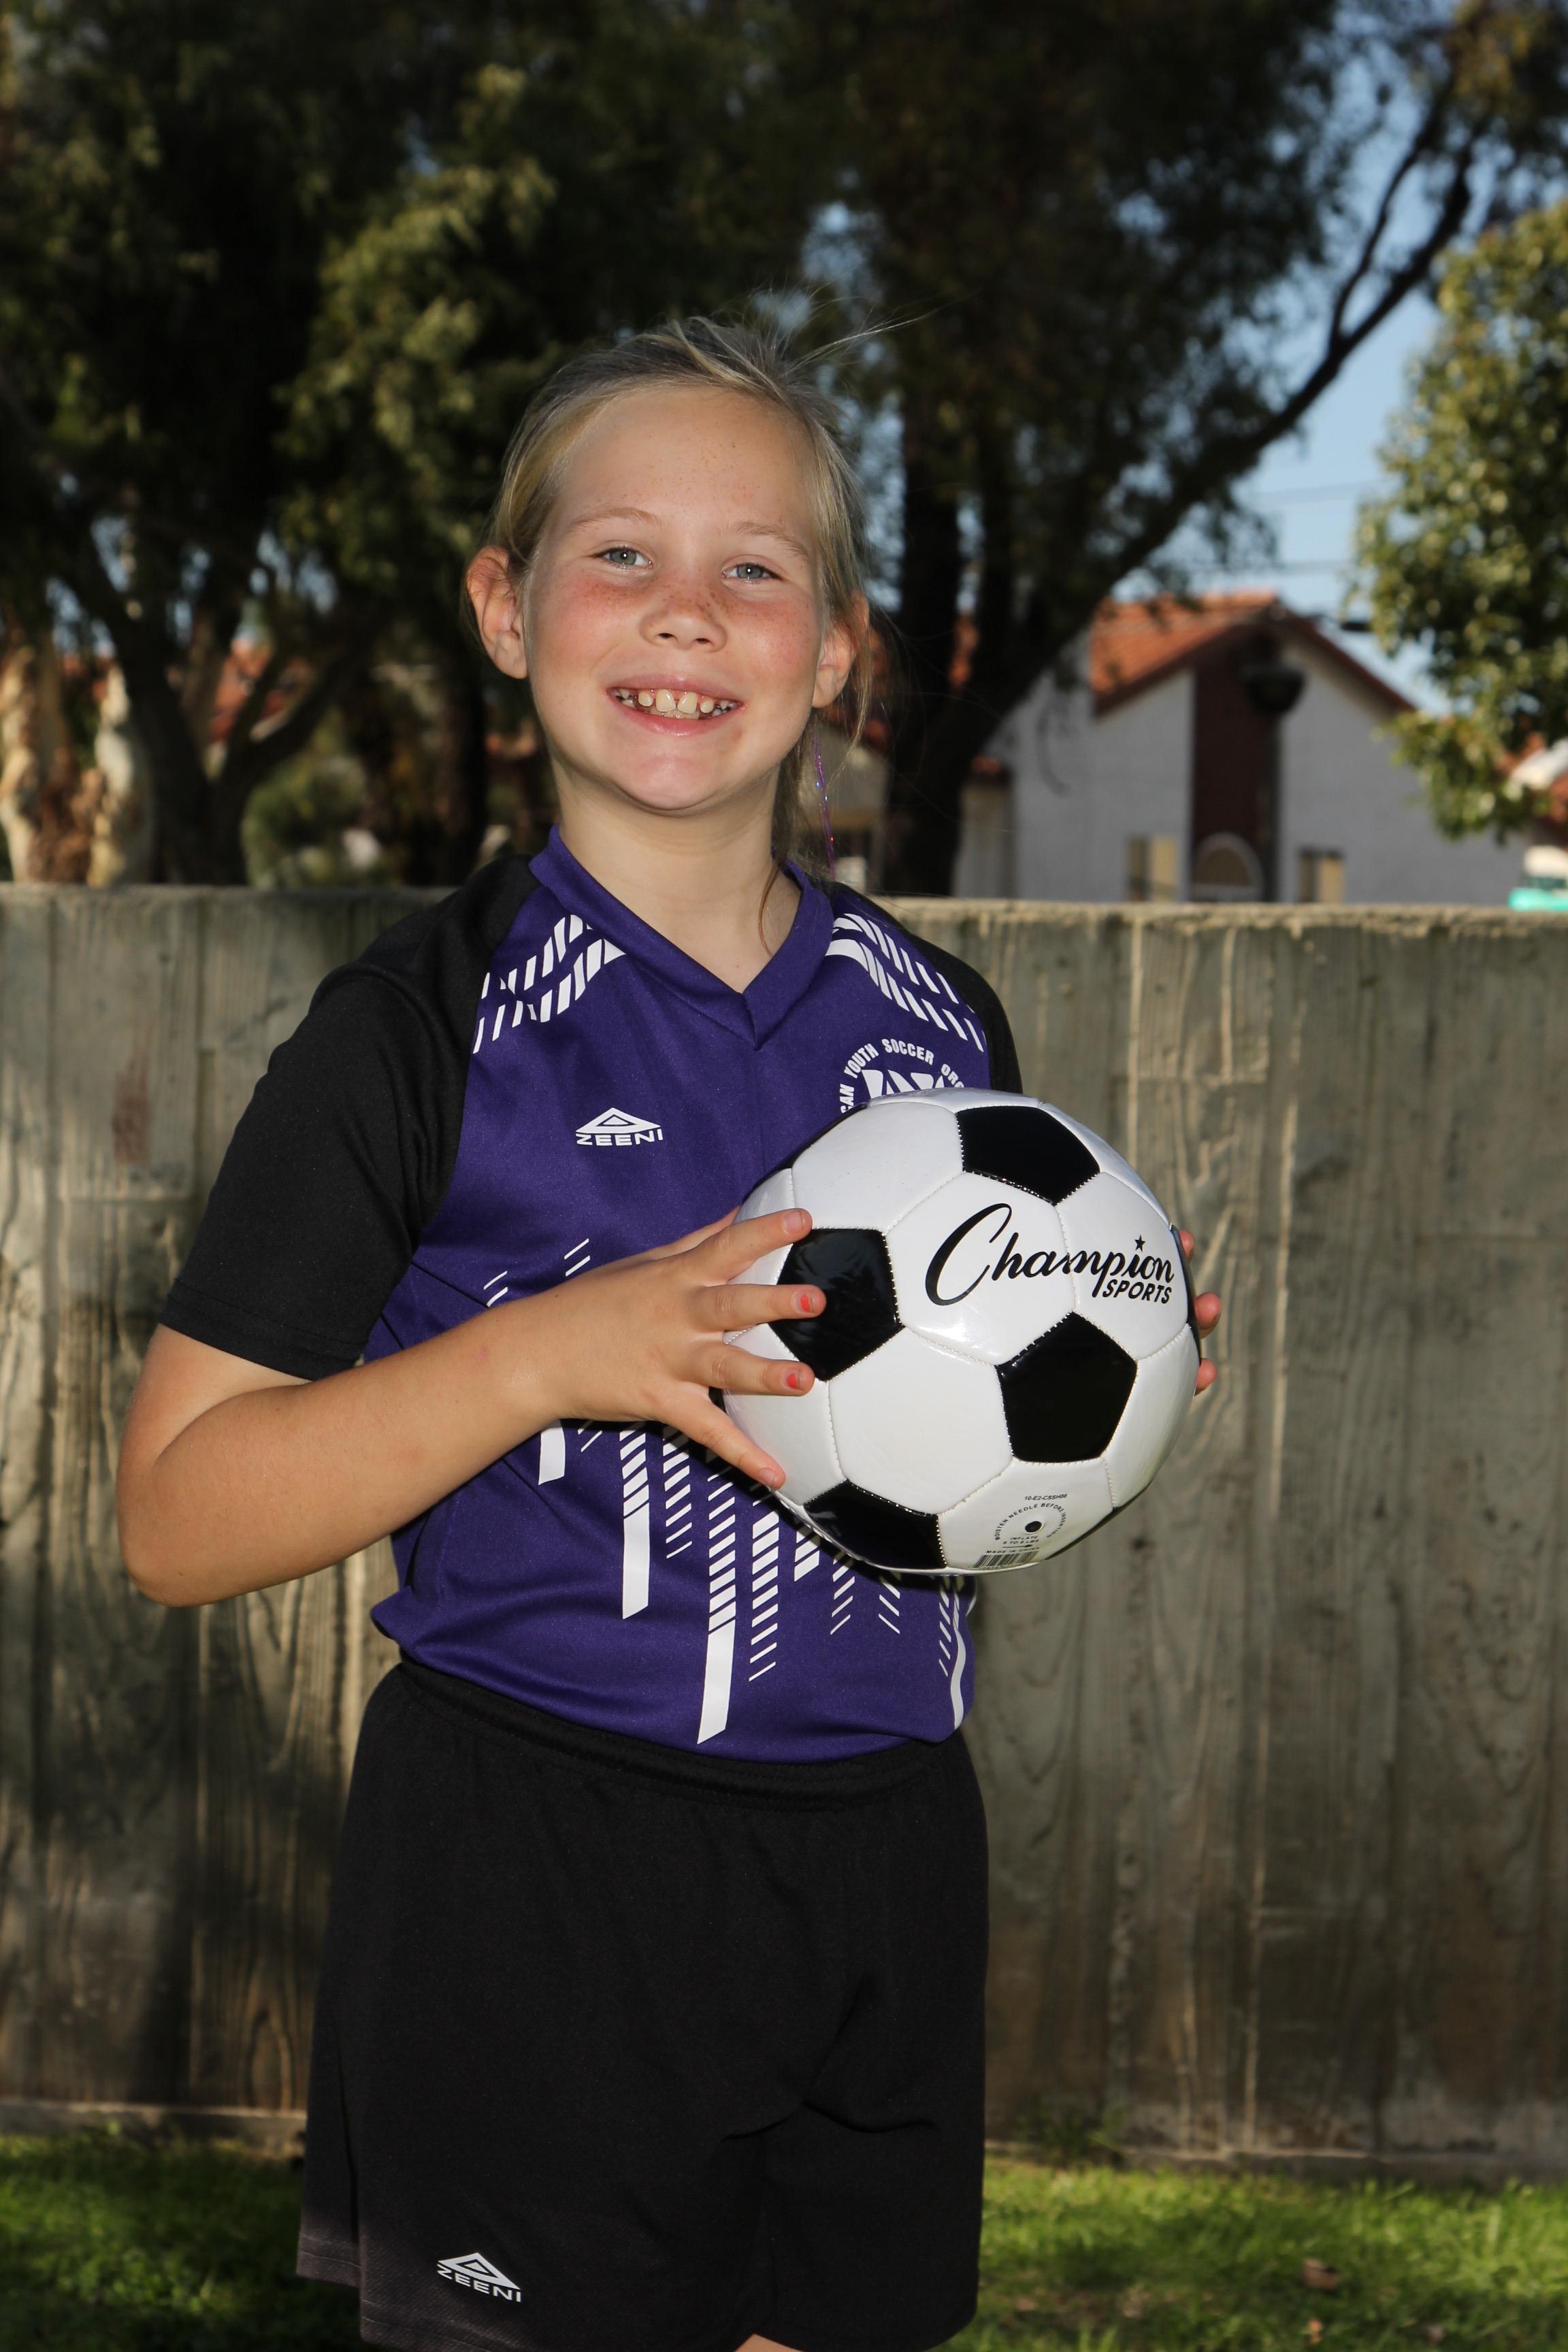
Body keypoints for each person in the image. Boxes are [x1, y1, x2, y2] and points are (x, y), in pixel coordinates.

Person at [118, 316, 1222, 2352]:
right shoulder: (414, 1033)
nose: (686, 611)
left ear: (840, 651)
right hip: (534, 1874)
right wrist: (559, 1350)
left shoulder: (943, 1026)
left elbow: (934, 1444)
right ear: (505, 606)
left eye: (755, 567)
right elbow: (176, 1520)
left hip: (889, 1862)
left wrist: (1104, 1369)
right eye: (621, 553)